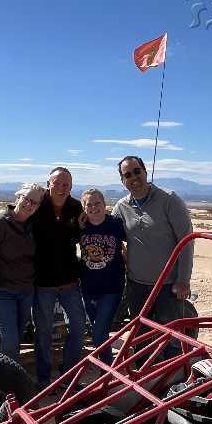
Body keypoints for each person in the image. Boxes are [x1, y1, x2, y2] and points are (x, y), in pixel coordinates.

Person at [112, 156, 193, 337]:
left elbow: (187, 241)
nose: (134, 178)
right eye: (127, 175)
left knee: (170, 338)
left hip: (168, 285)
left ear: (145, 172)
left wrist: (183, 280)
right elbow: (106, 228)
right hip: (136, 285)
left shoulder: (169, 200)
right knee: (140, 338)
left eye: (137, 171)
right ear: (122, 180)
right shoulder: (122, 206)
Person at [0, 183, 46, 361]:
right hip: (2, 291)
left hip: (26, 291)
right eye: (26, 199)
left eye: (34, 202)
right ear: (18, 197)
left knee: (17, 335)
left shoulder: (34, 224)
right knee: (10, 339)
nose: (29, 204)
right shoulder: (0, 223)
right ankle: (6, 375)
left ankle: (5, 366)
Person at [31, 167, 86, 388]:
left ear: (71, 187)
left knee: (79, 327)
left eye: (66, 184)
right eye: (57, 183)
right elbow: (16, 217)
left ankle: (67, 376)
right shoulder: (37, 204)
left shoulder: (75, 207)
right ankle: (43, 380)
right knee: (43, 332)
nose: (62, 188)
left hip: (69, 282)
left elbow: (87, 231)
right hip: (42, 282)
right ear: (48, 184)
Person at [79, 189, 126, 364]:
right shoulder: (80, 226)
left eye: (97, 203)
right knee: (99, 332)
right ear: (84, 208)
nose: (93, 207)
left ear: (104, 204)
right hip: (88, 287)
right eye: (89, 204)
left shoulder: (116, 224)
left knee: (99, 335)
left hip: (112, 287)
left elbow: (137, 240)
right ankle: (107, 368)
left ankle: (107, 369)